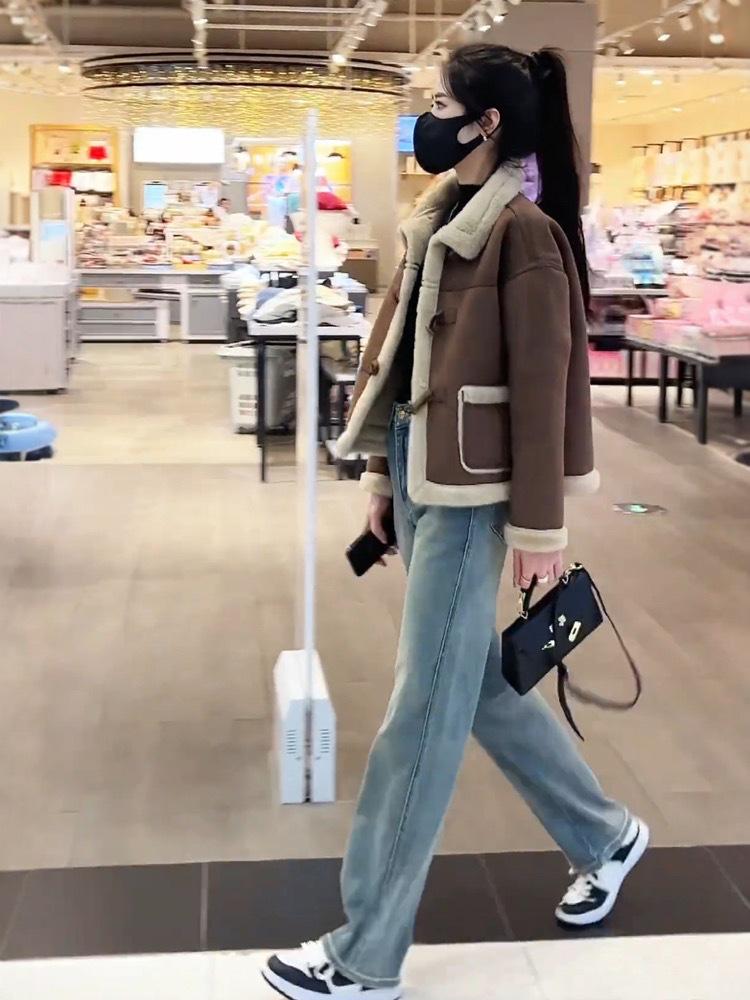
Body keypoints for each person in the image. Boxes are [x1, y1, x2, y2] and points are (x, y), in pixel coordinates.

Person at [263, 43, 649, 1000]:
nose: (426, 121)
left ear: (487, 123)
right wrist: (382, 474)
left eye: (441, 105)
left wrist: (542, 532)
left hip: (477, 502)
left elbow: (548, 392)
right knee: (469, 685)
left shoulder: (524, 236)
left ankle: (365, 953)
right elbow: (398, 363)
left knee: (421, 716)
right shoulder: (437, 219)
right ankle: (604, 834)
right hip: (425, 478)